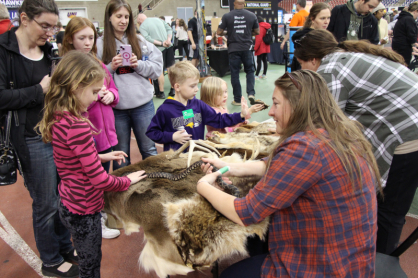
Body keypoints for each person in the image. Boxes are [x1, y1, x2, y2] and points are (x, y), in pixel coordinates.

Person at [198, 70, 381, 277]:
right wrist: (227, 166)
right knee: (258, 242)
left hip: (321, 267)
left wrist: (203, 186)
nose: (270, 112)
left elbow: (245, 212)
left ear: (296, 106)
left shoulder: (305, 148)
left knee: (230, 274)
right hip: (352, 261)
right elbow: (272, 163)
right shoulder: (338, 132)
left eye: (276, 103)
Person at [294, 29, 418, 255]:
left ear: (313, 59)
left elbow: (327, 125)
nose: (303, 71)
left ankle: (378, 263)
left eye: (302, 65)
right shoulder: (347, 55)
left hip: (409, 134)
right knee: (386, 205)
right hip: (406, 125)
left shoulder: (330, 68)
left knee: (389, 209)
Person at [37, 51, 147, 278]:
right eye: (94, 92)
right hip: (84, 209)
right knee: (90, 264)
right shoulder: (78, 126)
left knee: (85, 255)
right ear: (76, 87)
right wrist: (127, 180)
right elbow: (100, 180)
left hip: (68, 201)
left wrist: (102, 157)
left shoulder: (59, 116)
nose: (97, 97)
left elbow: (71, 158)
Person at [0, 0, 79, 277]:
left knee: (61, 196)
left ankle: (63, 247)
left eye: (53, 27)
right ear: (24, 19)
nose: (50, 32)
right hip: (30, 137)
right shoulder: (4, 51)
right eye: (44, 25)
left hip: (56, 132)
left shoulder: (47, 50)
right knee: (46, 202)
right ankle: (51, 261)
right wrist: (38, 90)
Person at [61, 16, 122, 239]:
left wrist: (110, 95)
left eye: (91, 38)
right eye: (82, 38)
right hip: (87, 135)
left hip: (107, 134)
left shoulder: (98, 64)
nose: (88, 43)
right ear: (70, 40)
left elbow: (115, 92)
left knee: (103, 175)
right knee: (91, 180)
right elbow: (70, 103)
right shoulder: (70, 68)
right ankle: (93, 220)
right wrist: (96, 96)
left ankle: (101, 216)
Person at [97, 0, 162, 170]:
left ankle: (155, 186)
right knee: (121, 155)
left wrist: (138, 64)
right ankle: (123, 193)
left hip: (143, 106)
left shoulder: (140, 41)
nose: (123, 21)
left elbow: (156, 69)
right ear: (109, 18)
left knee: (149, 150)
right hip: (116, 110)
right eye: (118, 16)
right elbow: (94, 79)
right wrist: (110, 67)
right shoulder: (100, 44)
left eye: (126, 17)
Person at [146, 61, 249, 152]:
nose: (196, 89)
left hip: (197, 154)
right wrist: (172, 136)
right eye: (192, 86)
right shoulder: (165, 110)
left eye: (196, 85)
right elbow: (152, 132)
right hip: (177, 159)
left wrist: (240, 115)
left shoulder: (198, 105)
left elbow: (219, 119)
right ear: (177, 87)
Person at [217, 0, 259, 106]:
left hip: (233, 49)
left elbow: (219, 32)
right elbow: (257, 32)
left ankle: (237, 99)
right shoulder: (252, 15)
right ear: (243, 4)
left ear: (234, 4)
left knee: (235, 73)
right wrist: (247, 32)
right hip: (247, 48)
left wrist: (229, 32)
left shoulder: (227, 16)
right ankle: (251, 93)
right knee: (250, 70)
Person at [137, 13, 174, 98]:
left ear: (139, 20)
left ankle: (161, 92)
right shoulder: (159, 19)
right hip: (169, 46)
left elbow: (147, 38)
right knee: (171, 69)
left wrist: (161, 43)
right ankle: (173, 89)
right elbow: (169, 29)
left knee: (160, 70)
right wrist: (168, 40)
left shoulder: (142, 26)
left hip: (159, 49)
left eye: (138, 22)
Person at [291, 2, 331, 71]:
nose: (326, 22)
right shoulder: (308, 39)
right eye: (322, 18)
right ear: (312, 19)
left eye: (328, 18)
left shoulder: (322, 37)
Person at [392, 2, 418, 67]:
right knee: (404, 66)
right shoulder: (409, 19)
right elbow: (411, 36)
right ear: (415, 11)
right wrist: (415, 43)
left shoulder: (402, 18)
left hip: (397, 46)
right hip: (404, 48)